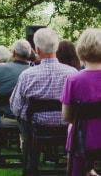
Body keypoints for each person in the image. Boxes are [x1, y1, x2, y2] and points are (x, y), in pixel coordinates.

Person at [10, 28, 77, 172]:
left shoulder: (27, 75)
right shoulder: (73, 74)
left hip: (35, 128)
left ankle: (30, 164)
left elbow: (16, 107)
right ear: (57, 47)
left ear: (37, 49)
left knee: (23, 119)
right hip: (67, 126)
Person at [61, 29, 101, 176]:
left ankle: (83, 170)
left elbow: (67, 116)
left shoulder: (73, 80)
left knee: (74, 128)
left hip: (83, 141)